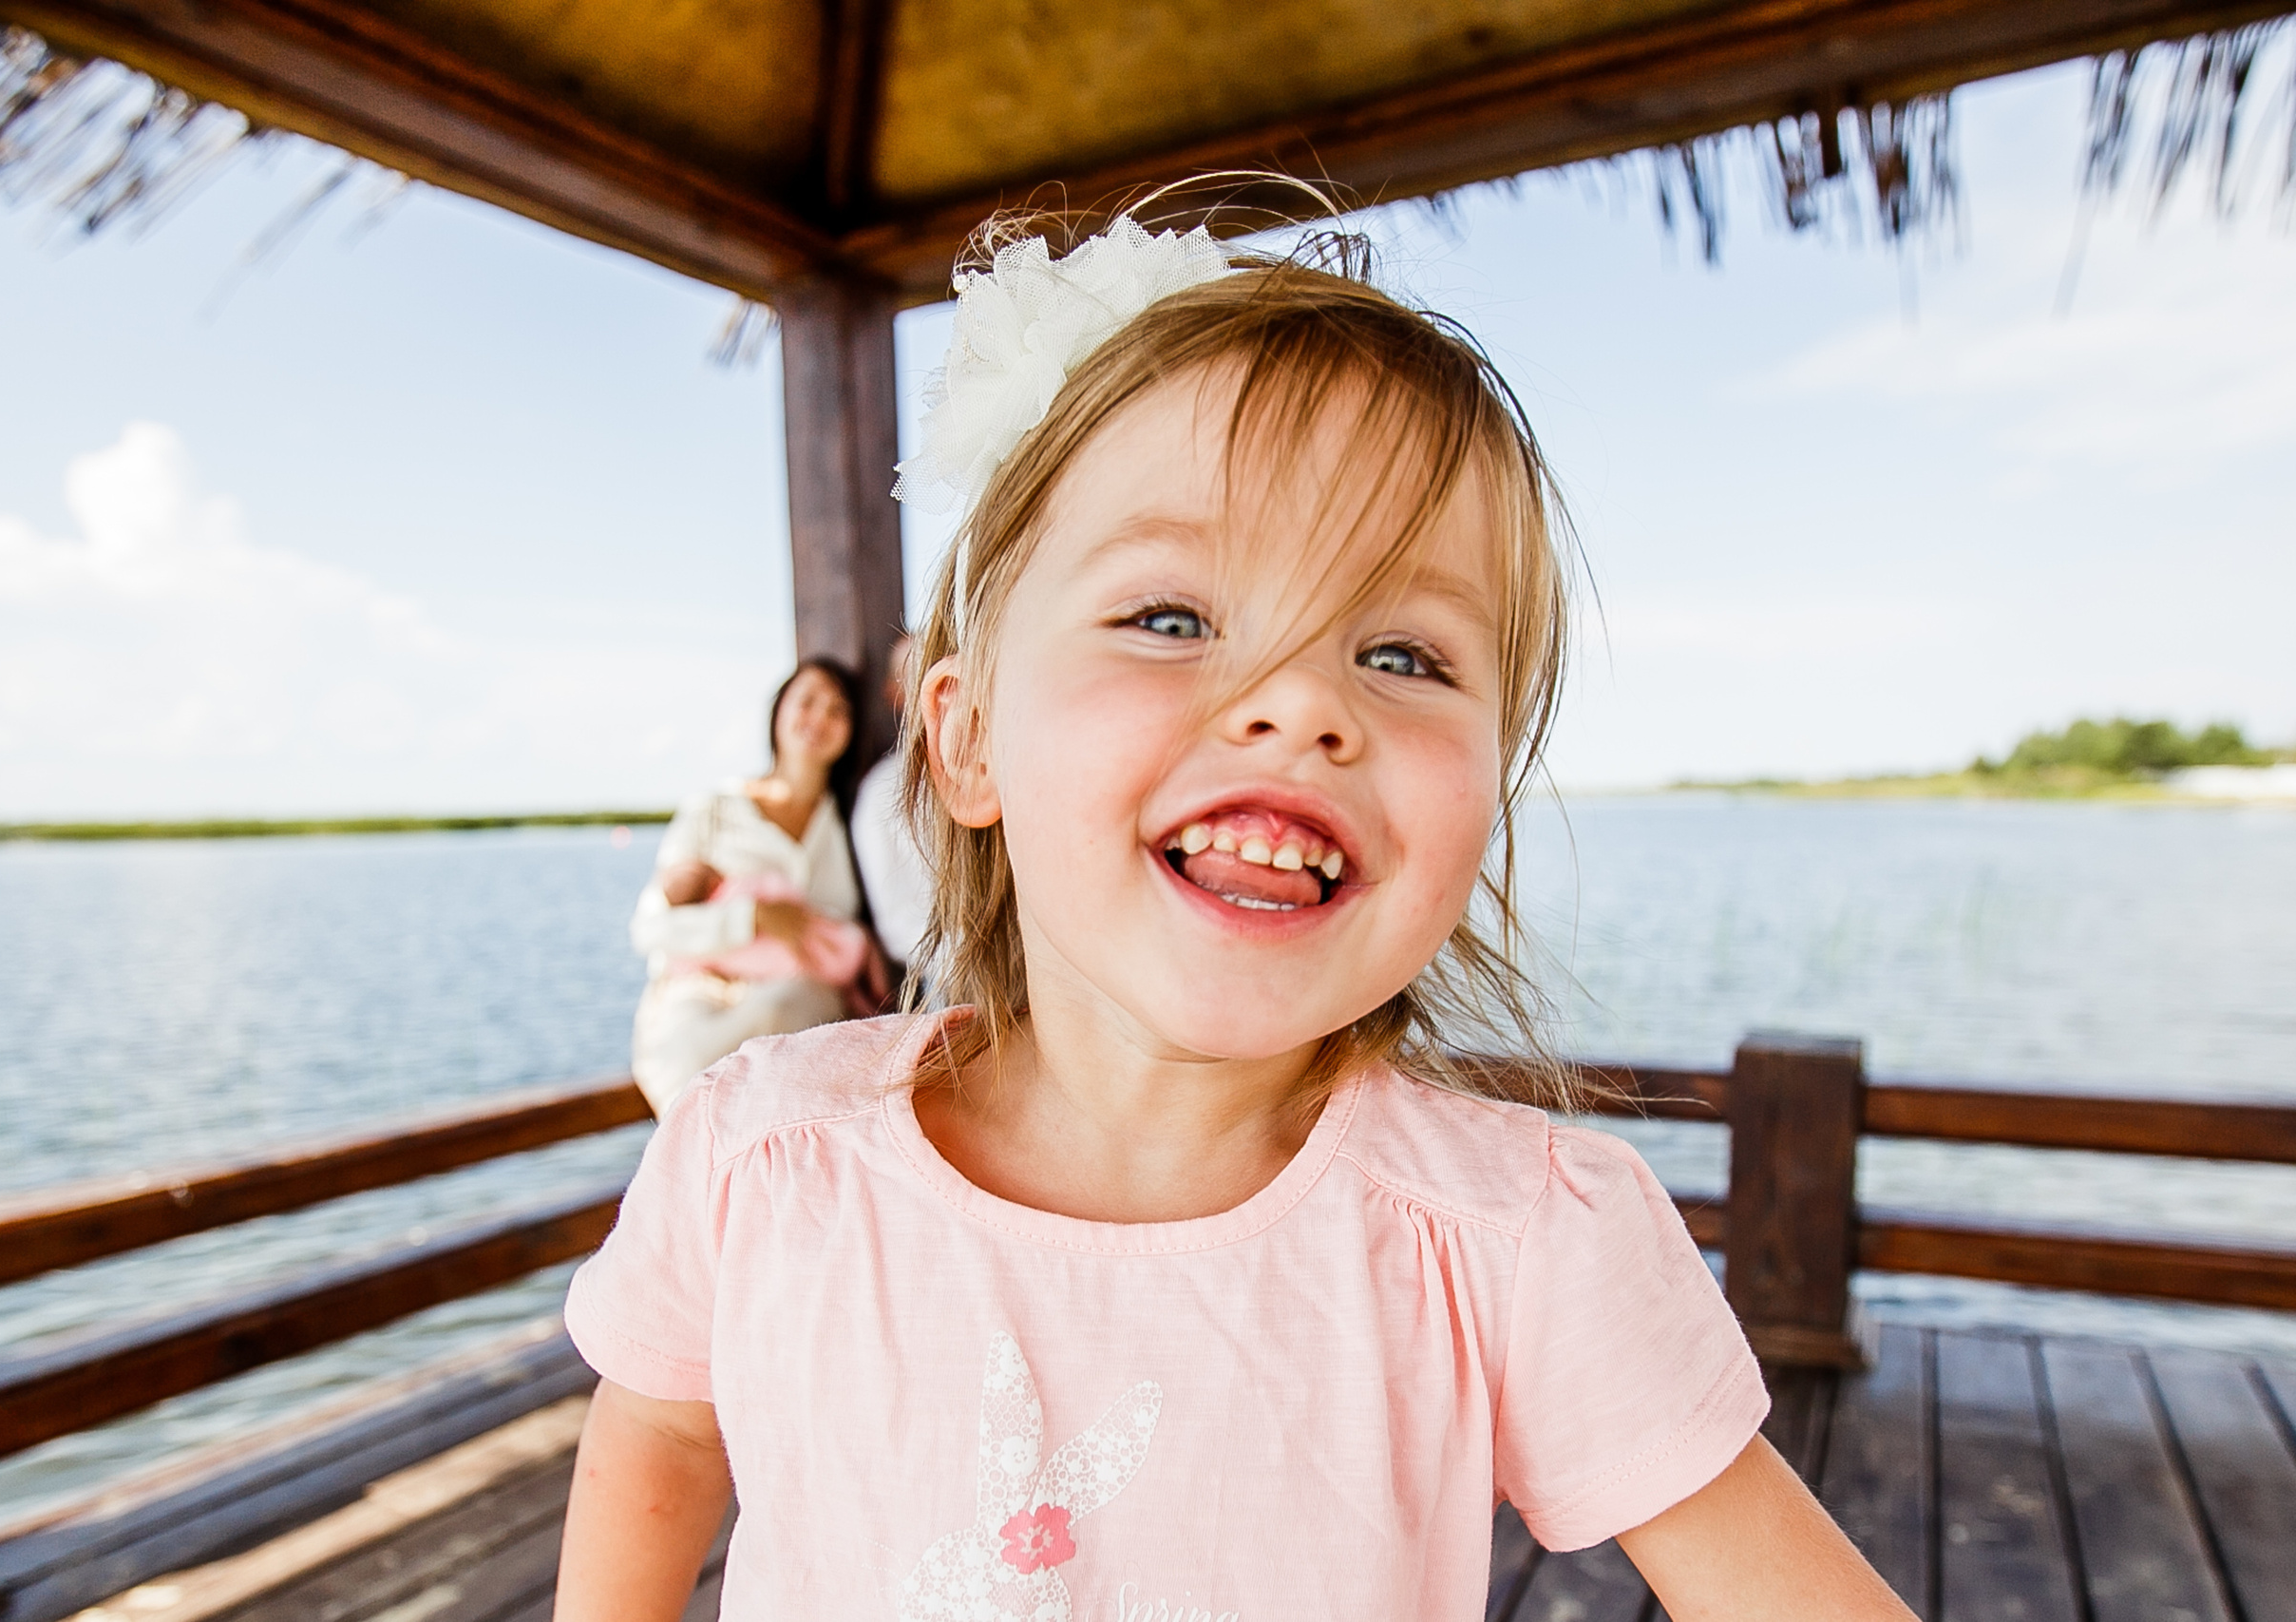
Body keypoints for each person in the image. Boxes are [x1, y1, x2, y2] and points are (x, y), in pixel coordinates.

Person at [559, 204, 1917, 1621]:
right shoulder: (764, 1158)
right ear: (966, 740)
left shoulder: (1511, 1243)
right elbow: (662, 1424)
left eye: (1401, 650)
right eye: (1172, 618)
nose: (1302, 704)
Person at [625, 658, 883, 1116]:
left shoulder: (848, 827)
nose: (820, 718)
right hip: (702, 991)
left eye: (838, 710)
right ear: (778, 710)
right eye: (807, 701)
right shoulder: (714, 810)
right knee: (686, 1066)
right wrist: (754, 918)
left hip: (798, 1002)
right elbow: (650, 930)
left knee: (792, 1019)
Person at [850, 633, 933, 969]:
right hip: (950, 979)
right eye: (914, 669)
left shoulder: (1006, 767)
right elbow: (896, 924)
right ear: (894, 694)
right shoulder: (883, 791)